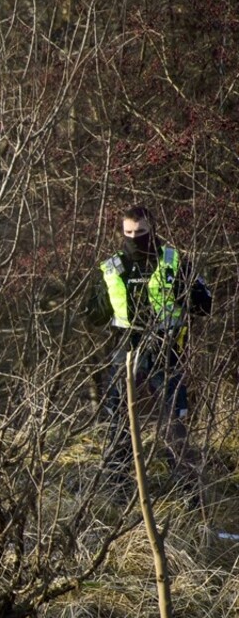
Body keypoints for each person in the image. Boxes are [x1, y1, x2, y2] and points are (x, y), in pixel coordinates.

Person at [96, 205, 212, 479]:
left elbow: (204, 304)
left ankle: (185, 488)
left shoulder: (174, 261)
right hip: (125, 348)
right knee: (117, 418)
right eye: (129, 232)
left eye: (141, 232)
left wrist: (186, 295)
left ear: (153, 230)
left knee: (175, 420)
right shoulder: (112, 267)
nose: (134, 237)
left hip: (166, 349)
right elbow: (93, 313)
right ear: (121, 232)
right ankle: (118, 484)